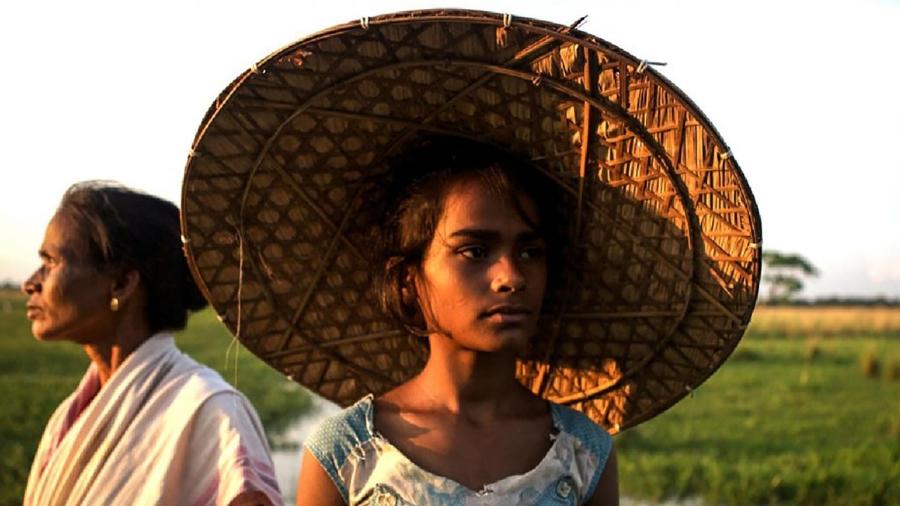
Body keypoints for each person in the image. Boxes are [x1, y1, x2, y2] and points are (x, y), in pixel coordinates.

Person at [296, 138, 618, 505]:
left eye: (529, 252)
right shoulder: (346, 455)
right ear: (408, 281)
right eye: (475, 252)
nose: (511, 277)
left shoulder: (584, 456)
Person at [22, 182, 281, 506]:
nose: (30, 283)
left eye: (51, 262)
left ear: (121, 283)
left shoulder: (211, 414)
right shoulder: (68, 418)